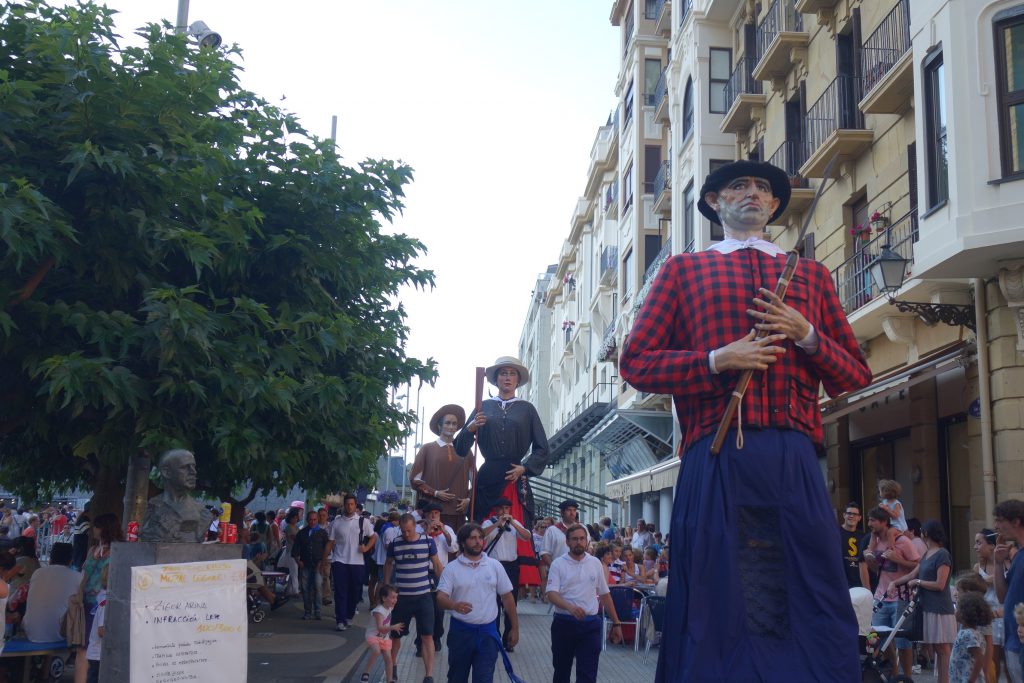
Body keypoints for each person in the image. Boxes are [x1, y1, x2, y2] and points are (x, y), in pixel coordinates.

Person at [619, 160, 872, 682]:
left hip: (794, 456)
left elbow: (854, 375)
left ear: (776, 205)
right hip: (714, 452)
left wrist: (807, 334)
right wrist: (717, 359)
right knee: (717, 588)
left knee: (810, 583)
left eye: (762, 188)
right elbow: (636, 362)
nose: (752, 194)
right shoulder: (682, 271)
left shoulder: (814, 277)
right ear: (714, 202)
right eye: (738, 186)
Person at [453, 356, 548, 533]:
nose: (507, 377)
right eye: (503, 373)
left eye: (512, 374)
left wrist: (524, 468)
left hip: (513, 476)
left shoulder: (527, 409)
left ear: (518, 380)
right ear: (496, 379)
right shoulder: (483, 407)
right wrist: (471, 428)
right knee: (482, 528)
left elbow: (542, 448)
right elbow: (459, 448)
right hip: (487, 476)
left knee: (514, 528)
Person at [436, 523, 519, 683]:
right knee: (456, 678)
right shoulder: (452, 568)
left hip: (488, 634)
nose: (478, 541)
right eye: (473, 538)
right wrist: (454, 605)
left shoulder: (494, 566)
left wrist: (514, 628)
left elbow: (508, 598)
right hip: (461, 633)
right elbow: (440, 597)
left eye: (480, 538)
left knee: (484, 679)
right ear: (462, 542)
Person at [545, 524, 623, 683]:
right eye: (574, 539)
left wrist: (616, 623)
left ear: (587, 541)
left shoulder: (595, 563)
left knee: (588, 674)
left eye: (582, 538)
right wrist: (570, 607)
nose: (579, 542)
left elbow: (605, 594)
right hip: (564, 623)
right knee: (561, 671)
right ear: (567, 542)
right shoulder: (558, 564)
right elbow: (551, 594)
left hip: (590, 625)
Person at [383, 513, 444, 683]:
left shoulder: (427, 542)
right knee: (395, 635)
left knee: (427, 636)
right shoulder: (395, 543)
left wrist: (444, 587)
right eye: (403, 531)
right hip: (401, 599)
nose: (406, 534)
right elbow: (388, 563)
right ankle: (393, 666)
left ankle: (429, 675)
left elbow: (437, 564)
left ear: (415, 527)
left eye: (409, 531)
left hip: (424, 597)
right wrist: (386, 585)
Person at [895, 520, 956, 683]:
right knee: (937, 648)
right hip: (928, 606)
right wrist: (894, 583)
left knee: (943, 648)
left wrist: (919, 583)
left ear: (926, 533)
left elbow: (940, 584)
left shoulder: (942, 554)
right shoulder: (926, 554)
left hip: (940, 608)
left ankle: (945, 681)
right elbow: (912, 575)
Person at [865, 506, 920, 677]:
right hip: (881, 596)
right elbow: (878, 571)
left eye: (873, 520)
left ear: (883, 522)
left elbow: (918, 564)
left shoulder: (902, 541)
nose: (869, 524)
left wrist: (897, 559)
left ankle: (907, 678)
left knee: (902, 641)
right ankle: (895, 677)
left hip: (901, 597)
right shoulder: (875, 541)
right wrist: (871, 561)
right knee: (882, 639)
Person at [410, 405, 475, 532]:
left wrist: (468, 499)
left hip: (458, 512)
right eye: (448, 423)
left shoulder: (467, 451)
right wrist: (435, 493)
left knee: (454, 546)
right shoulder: (427, 449)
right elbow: (414, 480)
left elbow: (476, 480)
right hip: (432, 512)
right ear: (440, 426)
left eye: (454, 424)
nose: (451, 427)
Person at [75, 513, 121, 683]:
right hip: (86, 604)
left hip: (104, 603)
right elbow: (83, 575)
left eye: (96, 526)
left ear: (103, 528)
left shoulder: (118, 551)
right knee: (83, 647)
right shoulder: (93, 549)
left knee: (93, 649)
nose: (93, 530)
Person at [481, 497, 531, 652]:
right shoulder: (489, 523)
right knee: (493, 603)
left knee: (511, 603)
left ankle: (509, 639)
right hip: (494, 565)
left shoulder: (514, 524)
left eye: (507, 509)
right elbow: (481, 534)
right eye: (501, 508)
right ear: (496, 510)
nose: (504, 511)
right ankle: (494, 638)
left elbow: (527, 536)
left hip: (511, 566)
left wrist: (513, 522)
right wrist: (498, 524)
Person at [323, 494, 376, 632]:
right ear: (344, 505)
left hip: (357, 562)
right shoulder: (337, 522)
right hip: (339, 561)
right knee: (340, 591)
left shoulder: (363, 522)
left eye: (352, 504)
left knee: (354, 591)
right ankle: (340, 620)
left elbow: (373, 536)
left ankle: (349, 615)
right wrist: (324, 561)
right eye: (347, 504)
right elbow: (330, 542)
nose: (349, 506)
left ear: (355, 505)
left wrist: (366, 547)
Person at [138, 450, 208, 543]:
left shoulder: (203, 513)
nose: (193, 472)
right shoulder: (154, 508)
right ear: (166, 472)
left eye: (193, 466)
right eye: (185, 467)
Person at [22, 542, 80, 642]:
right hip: (59, 635)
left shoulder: (37, 573)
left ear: (50, 558)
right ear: (71, 560)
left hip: (31, 632)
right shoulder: (78, 577)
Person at [993, 499, 1024, 683]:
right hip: (1013, 638)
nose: (996, 526)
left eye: (1000, 520)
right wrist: (998, 562)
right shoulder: (1018, 555)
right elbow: (1003, 596)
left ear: (1016, 521)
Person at [975, 528, 1007, 681]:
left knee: (1009, 663)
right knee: (991, 663)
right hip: (989, 618)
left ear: (992, 546)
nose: (975, 547)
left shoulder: (1006, 564)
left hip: (1006, 615)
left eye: (979, 543)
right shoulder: (978, 568)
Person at [360, 584, 402, 683]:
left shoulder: (390, 607)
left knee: (389, 659)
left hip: (384, 637)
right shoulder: (378, 611)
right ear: (383, 598)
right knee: (376, 651)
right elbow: (380, 628)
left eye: (396, 597)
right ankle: (366, 672)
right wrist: (393, 627)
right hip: (373, 636)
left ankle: (390, 679)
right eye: (392, 597)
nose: (395, 600)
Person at [292, 509, 328, 620]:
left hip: (318, 565)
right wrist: (298, 561)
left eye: (315, 519)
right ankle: (307, 611)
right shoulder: (302, 533)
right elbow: (295, 550)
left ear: (318, 519)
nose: (312, 522)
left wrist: (322, 562)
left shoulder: (323, 533)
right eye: (310, 520)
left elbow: (327, 550)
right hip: (305, 564)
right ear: (307, 520)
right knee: (305, 588)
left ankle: (318, 611)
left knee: (318, 587)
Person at [949, 592, 992, 683]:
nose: (955, 611)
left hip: (966, 679)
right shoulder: (969, 632)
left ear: (964, 613)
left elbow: (979, 658)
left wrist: (971, 680)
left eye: (957, 608)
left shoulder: (969, 635)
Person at [84, 566, 107, 683]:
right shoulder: (106, 603)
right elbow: (101, 630)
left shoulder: (100, 598)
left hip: (95, 652)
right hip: (98, 653)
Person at [540, 500, 577, 568]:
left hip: (579, 571)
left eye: (574, 510)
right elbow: (544, 553)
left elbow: (589, 548)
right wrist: (555, 568)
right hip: (559, 572)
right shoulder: (552, 530)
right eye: (569, 510)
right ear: (562, 513)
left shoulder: (582, 528)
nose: (572, 513)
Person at [840, 502, 865, 589]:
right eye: (849, 513)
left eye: (855, 514)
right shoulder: (835, 533)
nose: (851, 516)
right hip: (840, 582)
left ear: (859, 518)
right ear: (844, 515)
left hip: (858, 583)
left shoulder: (863, 536)